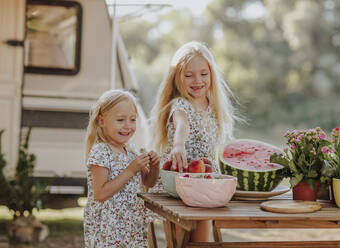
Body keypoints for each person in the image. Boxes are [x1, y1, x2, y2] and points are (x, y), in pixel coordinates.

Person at [151, 41, 237, 243]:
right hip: (179, 181)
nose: (197, 81)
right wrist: (178, 146)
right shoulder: (180, 104)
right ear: (177, 78)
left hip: (206, 183)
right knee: (179, 240)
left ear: (211, 75)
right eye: (188, 75)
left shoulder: (213, 106)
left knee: (201, 241)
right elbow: (182, 125)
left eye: (203, 74)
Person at [84, 89, 160, 248]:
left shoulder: (131, 150)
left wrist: (154, 167)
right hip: (109, 230)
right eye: (120, 120)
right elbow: (101, 194)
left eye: (132, 119)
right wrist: (131, 170)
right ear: (101, 121)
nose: (128, 126)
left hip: (131, 226)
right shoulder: (101, 151)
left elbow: (148, 182)